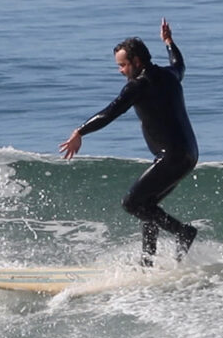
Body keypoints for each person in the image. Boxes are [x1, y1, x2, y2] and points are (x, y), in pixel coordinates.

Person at [59, 18, 198, 267]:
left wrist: (80, 131)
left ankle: (182, 232)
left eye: (123, 65)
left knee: (131, 203)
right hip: (189, 154)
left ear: (136, 62)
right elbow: (180, 64)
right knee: (148, 205)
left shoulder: (138, 86)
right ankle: (146, 264)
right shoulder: (169, 75)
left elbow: (109, 112)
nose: (120, 71)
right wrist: (169, 42)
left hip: (171, 157)